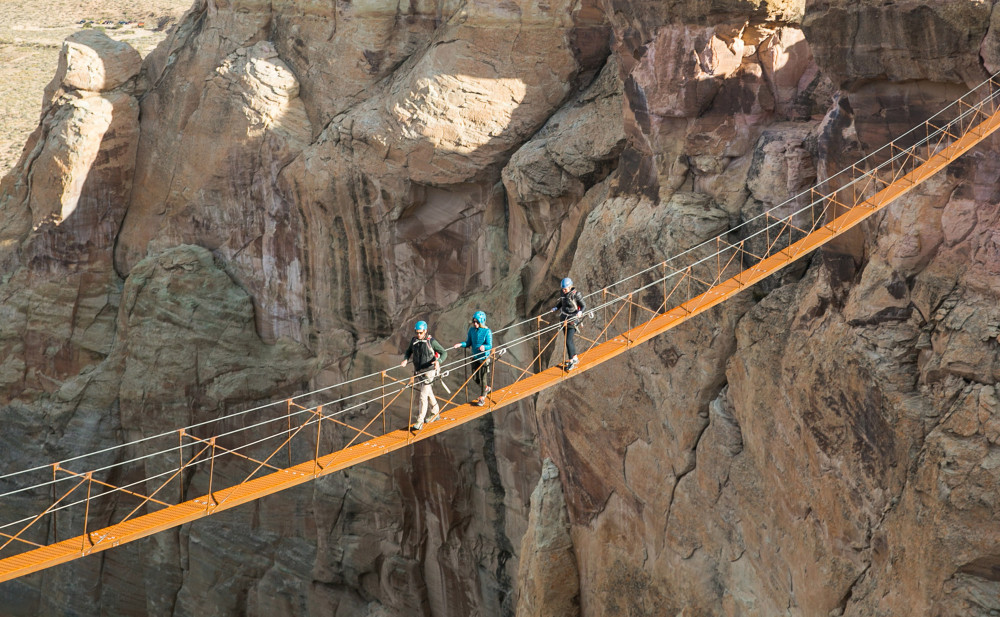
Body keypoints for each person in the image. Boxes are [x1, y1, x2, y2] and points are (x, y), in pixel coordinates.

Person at [400, 321, 447, 430]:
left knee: (423, 396)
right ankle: (435, 412)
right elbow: (408, 351)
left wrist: (438, 361)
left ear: (425, 331)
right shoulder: (414, 340)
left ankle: (420, 420)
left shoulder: (431, 342)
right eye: (417, 332)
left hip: (430, 371)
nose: (418, 335)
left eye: (420, 333)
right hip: (419, 371)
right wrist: (406, 360)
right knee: (428, 392)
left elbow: (444, 353)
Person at [453, 310, 493, 406]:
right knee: (475, 377)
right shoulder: (471, 330)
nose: (475, 324)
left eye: (477, 322)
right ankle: (486, 388)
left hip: (484, 358)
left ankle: (482, 397)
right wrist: (461, 344)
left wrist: (484, 347)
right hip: (475, 356)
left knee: (483, 378)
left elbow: (489, 345)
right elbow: (468, 343)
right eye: (474, 321)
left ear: (482, 321)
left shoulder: (487, 331)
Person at [551, 277, 585, 370]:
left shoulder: (576, 295)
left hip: (572, 320)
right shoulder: (563, 293)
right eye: (563, 289)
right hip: (564, 319)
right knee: (568, 340)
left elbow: (583, 305)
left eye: (565, 289)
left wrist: (580, 312)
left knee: (568, 340)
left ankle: (571, 361)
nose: (564, 290)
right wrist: (556, 308)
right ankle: (574, 357)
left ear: (570, 287)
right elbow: (562, 303)